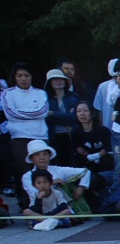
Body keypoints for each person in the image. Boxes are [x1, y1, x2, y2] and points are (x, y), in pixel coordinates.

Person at [3, 63, 50, 194]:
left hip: (40, 137)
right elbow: (10, 114)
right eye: (20, 76)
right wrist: (33, 113)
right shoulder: (8, 93)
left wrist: (20, 112)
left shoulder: (40, 93)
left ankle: (45, 201)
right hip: (19, 138)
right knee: (24, 173)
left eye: (26, 75)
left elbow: (43, 112)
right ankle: (26, 202)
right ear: (15, 77)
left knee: (43, 172)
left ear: (31, 77)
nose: (23, 79)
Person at [69, 102, 113, 199]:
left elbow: (107, 149)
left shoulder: (103, 131)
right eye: (79, 111)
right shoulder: (75, 132)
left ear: (93, 114)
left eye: (85, 110)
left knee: (94, 180)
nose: (82, 114)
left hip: (104, 168)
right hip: (85, 169)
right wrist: (97, 154)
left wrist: (93, 156)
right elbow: (78, 151)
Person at [43, 68, 80, 162]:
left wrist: (53, 113)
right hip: (53, 137)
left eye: (61, 79)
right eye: (54, 79)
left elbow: (76, 117)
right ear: (49, 82)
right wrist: (66, 116)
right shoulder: (44, 98)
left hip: (71, 136)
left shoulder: (73, 97)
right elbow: (46, 118)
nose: (58, 81)